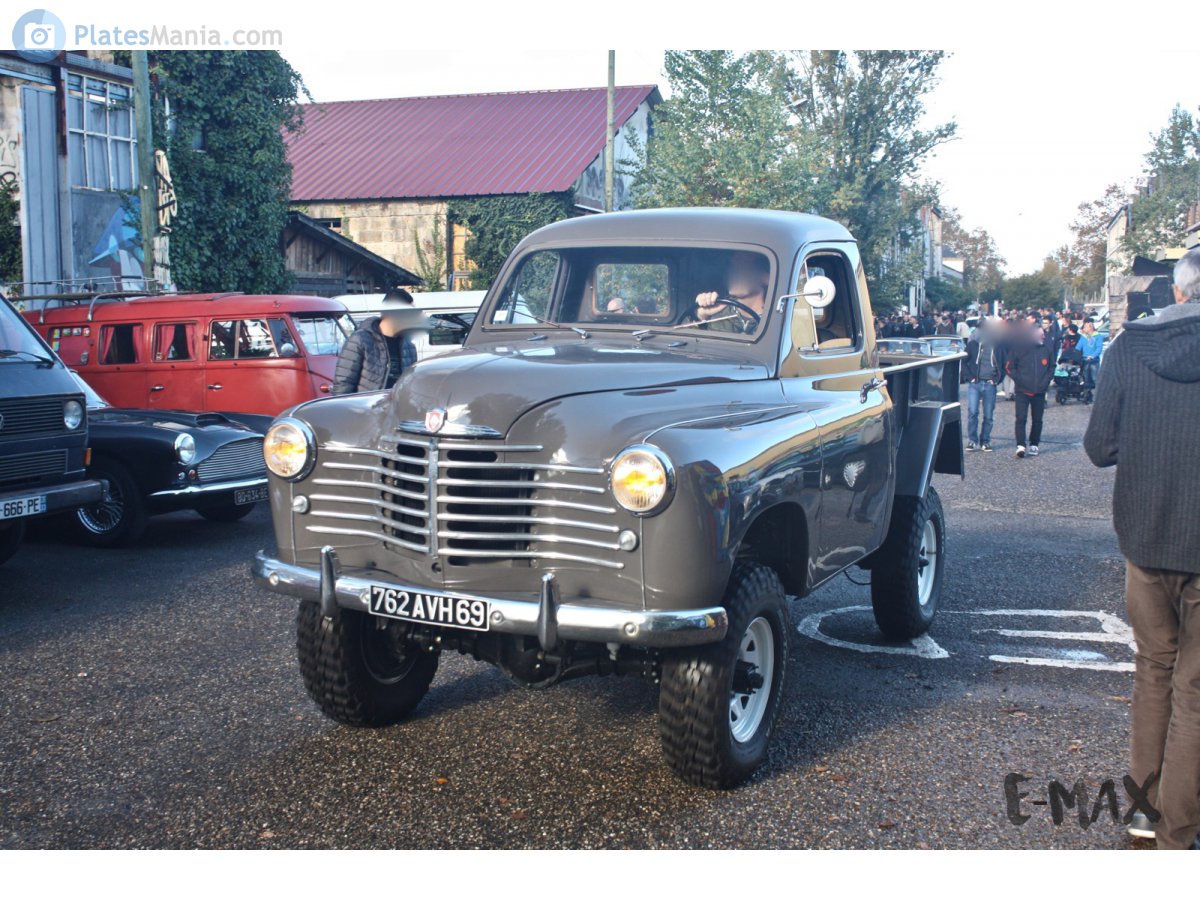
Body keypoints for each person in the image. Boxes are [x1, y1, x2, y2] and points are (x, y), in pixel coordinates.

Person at [1083, 248, 1200, 850]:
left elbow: (1100, 446)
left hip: (1146, 535)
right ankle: (1179, 836)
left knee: (1154, 670)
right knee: (1194, 689)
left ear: (1178, 293)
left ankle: (1144, 812)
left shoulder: (1129, 347)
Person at [331, 288, 424, 394]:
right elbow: (343, 385)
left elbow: (410, 385)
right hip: (366, 408)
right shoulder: (360, 340)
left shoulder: (409, 346)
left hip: (396, 408)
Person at [1005, 318, 1054, 458]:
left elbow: (1052, 367)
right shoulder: (1019, 348)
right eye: (1040, 335)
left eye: (1043, 334)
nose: (1043, 337)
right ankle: (1020, 445)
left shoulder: (1047, 350)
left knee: (1037, 419)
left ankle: (1034, 444)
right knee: (1021, 418)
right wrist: (1019, 380)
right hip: (1022, 390)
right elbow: (1009, 366)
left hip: (1040, 390)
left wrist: (1045, 382)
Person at [693, 251, 770, 334]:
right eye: (732, 266)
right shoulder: (720, 313)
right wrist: (701, 315)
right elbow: (683, 342)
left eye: (742, 267)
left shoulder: (776, 319)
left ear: (764, 277)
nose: (734, 272)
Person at [963, 316, 1006, 452]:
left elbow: (1004, 364)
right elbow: (963, 361)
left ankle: (985, 440)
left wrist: (997, 380)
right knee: (972, 413)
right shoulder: (972, 344)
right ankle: (972, 440)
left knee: (988, 415)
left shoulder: (998, 346)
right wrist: (970, 377)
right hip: (975, 383)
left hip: (990, 383)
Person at [1077, 318, 1105, 389]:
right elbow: (1078, 347)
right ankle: (1087, 394)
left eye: (1085, 327)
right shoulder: (1083, 337)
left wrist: (1093, 356)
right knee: (1085, 378)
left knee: (1095, 378)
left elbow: (1099, 348)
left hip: (1093, 360)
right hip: (1084, 359)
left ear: (1091, 327)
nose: (1084, 328)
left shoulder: (1098, 336)